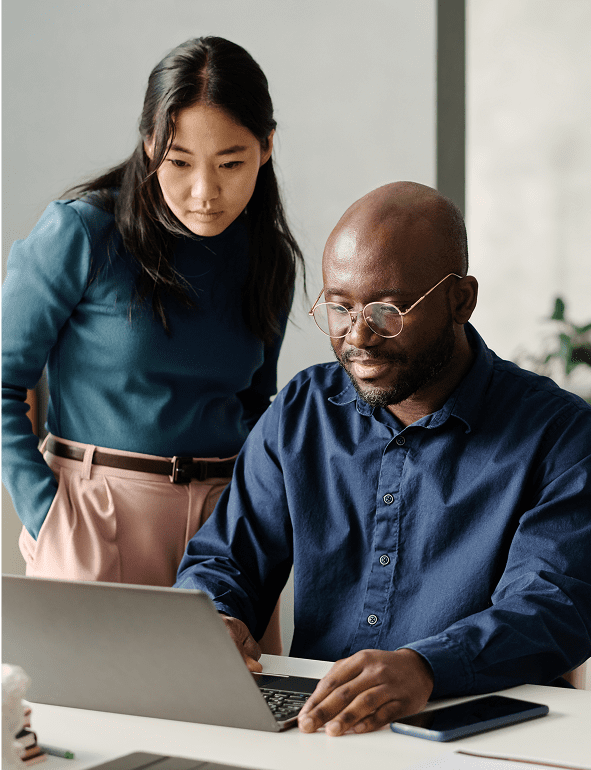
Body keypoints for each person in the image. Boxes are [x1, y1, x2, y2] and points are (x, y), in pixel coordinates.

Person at [175, 181, 591, 734]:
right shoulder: (303, 410)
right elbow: (224, 559)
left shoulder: (560, 434)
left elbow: (550, 608)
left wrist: (426, 667)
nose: (358, 336)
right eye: (340, 308)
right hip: (321, 729)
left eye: (387, 311)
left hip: (479, 733)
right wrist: (214, 617)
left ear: (460, 301)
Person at [1, 36, 304, 653]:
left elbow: (255, 406)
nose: (204, 191)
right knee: (97, 729)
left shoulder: (266, 256)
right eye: (179, 160)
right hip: (97, 514)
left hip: (227, 531)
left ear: (267, 147)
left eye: (230, 162)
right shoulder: (83, 230)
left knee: (237, 727)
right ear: (148, 145)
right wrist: (48, 516)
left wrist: (253, 520)